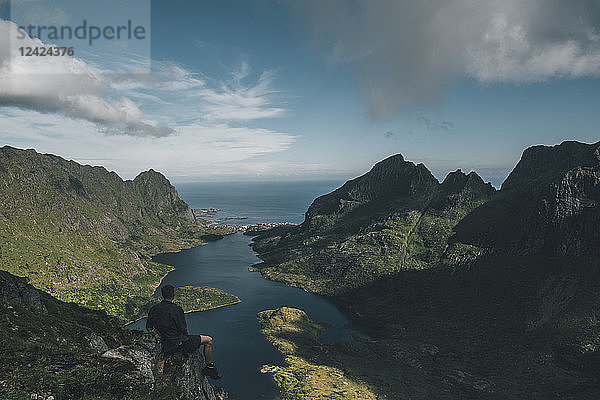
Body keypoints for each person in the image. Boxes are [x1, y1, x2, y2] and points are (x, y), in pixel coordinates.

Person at [146, 284, 222, 379]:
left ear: (162, 295)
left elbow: (149, 327)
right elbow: (183, 328)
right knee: (208, 340)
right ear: (173, 295)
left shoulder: (154, 309)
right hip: (178, 343)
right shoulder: (176, 309)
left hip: (162, 342)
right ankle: (209, 368)